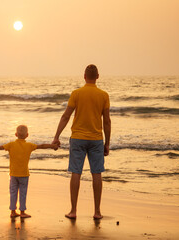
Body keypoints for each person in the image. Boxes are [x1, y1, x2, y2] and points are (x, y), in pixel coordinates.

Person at [52, 64, 111, 220]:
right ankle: (97, 211)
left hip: (78, 138)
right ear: (97, 76)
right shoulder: (104, 95)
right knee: (96, 173)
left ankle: (73, 211)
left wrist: (56, 136)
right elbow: (107, 121)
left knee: (76, 172)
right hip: (96, 139)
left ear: (84, 76)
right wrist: (107, 143)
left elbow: (66, 116)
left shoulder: (76, 93)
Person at [0, 125, 58, 218]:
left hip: (13, 174)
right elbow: (42, 146)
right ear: (27, 135)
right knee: (23, 193)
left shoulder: (11, 145)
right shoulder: (29, 145)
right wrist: (53, 146)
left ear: (15, 134)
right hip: (24, 174)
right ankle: (22, 212)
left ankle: (13, 211)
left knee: (13, 192)